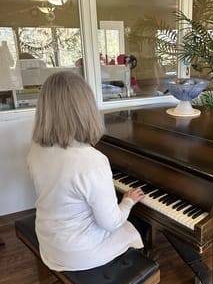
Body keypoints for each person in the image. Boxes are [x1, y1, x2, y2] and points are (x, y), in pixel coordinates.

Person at [27, 71, 145, 271]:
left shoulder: (35, 149)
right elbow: (111, 223)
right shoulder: (91, 161)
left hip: (49, 240)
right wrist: (127, 201)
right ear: (86, 109)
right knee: (133, 226)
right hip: (79, 253)